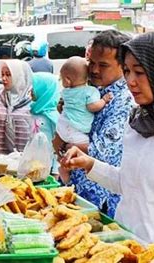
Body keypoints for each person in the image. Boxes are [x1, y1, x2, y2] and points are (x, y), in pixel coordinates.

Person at [61, 30, 154, 262]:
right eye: (126, 71)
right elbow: (130, 183)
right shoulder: (138, 123)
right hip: (127, 249)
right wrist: (90, 164)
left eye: (140, 72)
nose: (130, 81)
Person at [54, 30, 133, 217]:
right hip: (78, 191)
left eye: (103, 65)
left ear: (123, 66)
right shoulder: (89, 90)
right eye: (92, 63)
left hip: (100, 200)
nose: (95, 70)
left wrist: (64, 144)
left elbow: (104, 150)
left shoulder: (123, 101)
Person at [0, 60, 33, 154]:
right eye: (2, 74)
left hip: (25, 156)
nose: (4, 78)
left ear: (18, 76)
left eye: (8, 74)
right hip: (1, 157)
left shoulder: (31, 99)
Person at [30, 71, 60, 175]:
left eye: (34, 87)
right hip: (33, 165)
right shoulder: (33, 110)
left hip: (48, 167)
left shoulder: (53, 117)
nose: (31, 91)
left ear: (44, 90)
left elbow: (59, 147)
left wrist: (56, 171)